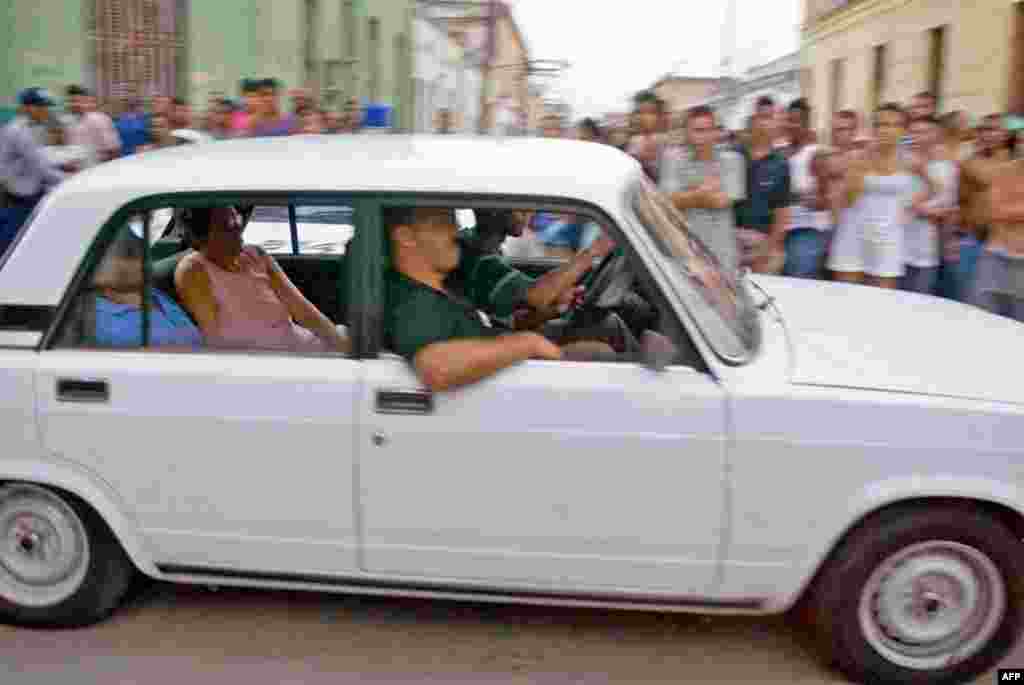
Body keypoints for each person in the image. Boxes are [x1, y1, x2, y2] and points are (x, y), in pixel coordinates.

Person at [382, 206, 621, 392]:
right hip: (498, 384)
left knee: (601, 347)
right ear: (406, 237)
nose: (456, 233)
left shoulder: (444, 287)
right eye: (442, 224)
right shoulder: (412, 301)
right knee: (605, 348)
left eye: (454, 222)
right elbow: (435, 367)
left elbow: (502, 325)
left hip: (507, 372)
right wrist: (528, 343)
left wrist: (549, 314)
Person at [174, 206, 349, 353]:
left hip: (306, 346)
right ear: (203, 236)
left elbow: (303, 310)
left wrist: (340, 344)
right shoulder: (193, 270)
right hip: (273, 364)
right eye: (228, 224)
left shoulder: (256, 255)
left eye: (238, 218)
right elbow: (217, 341)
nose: (238, 227)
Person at [827, 103, 938, 289]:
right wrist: (857, 170)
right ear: (874, 129)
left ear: (903, 130)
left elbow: (933, 187)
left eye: (894, 125)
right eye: (881, 124)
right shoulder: (857, 157)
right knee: (847, 298)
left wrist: (911, 208)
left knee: (883, 300)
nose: (887, 130)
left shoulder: (911, 160)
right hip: (854, 232)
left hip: (889, 236)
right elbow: (845, 199)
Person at [660, 105, 745, 275]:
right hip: (687, 254)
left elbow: (721, 201)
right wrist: (703, 193)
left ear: (716, 132)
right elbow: (667, 202)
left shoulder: (733, 160)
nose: (703, 137)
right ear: (687, 133)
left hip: (723, 255)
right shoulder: (672, 160)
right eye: (697, 131)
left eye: (708, 130)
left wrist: (688, 195)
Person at [92, 219, 202, 348]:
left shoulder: (155, 294)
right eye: (128, 251)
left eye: (140, 246)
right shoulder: (103, 325)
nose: (141, 255)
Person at [959, 114, 1017, 303]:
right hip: (974, 239)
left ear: (1006, 134)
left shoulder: (1017, 164)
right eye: (984, 129)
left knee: (1007, 301)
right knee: (972, 299)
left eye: (994, 129)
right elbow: (962, 200)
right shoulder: (970, 163)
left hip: (1010, 243)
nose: (988, 135)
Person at [0, 88, 67, 252]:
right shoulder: (19, 131)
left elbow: (38, 159)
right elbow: (40, 166)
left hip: (23, 189)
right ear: (28, 108)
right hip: (21, 194)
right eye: (42, 106)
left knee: (19, 237)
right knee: (14, 240)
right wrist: (71, 180)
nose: (46, 111)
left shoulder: (27, 128)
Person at [903, 115, 958, 294]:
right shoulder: (899, 163)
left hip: (926, 253)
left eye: (925, 132)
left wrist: (919, 209)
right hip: (896, 250)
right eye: (915, 132)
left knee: (922, 306)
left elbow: (945, 210)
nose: (919, 137)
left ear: (936, 135)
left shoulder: (947, 168)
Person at [734, 109, 791, 274]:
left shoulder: (781, 165)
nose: (763, 125)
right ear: (750, 125)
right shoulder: (733, 156)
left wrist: (767, 250)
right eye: (760, 119)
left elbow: (782, 215)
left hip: (763, 239)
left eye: (768, 119)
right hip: (731, 237)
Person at [969, 155, 1024, 320]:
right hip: (995, 256)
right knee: (984, 319)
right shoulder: (1004, 171)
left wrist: (1010, 208)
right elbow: (994, 211)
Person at [782, 99, 832, 278]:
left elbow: (825, 201)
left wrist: (797, 198)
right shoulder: (782, 153)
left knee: (800, 282)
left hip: (808, 232)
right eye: (788, 120)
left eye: (795, 121)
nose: (790, 125)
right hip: (785, 230)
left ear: (806, 125)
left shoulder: (817, 154)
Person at [64, 85, 121, 166]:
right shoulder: (69, 122)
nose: (73, 104)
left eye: (76, 101)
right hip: (77, 173)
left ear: (86, 101)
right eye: (70, 101)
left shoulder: (100, 120)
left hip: (97, 171)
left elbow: (114, 150)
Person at [627, 91, 665, 182]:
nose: (643, 117)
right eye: (639, 112)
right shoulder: (633, 143)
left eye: (650, 112)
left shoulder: (666, 143)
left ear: (658, 115)